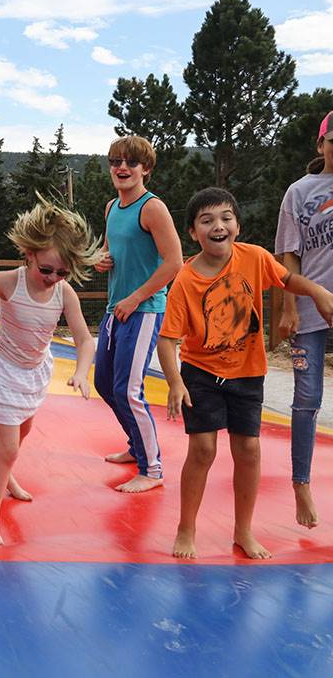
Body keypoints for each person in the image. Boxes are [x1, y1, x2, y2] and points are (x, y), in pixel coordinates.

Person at [159, 188, 333, 560]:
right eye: (206, 221)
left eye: (225, 218)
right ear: (193, 232)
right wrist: (174, 381)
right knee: (203, 449)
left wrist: (317, 291)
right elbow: (168, 339)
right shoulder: (186, 281)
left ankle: (243, 531)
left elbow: (288, 280)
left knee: (249, 450)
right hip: (201, 372)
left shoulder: (254, 258)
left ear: (237, 225)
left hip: (248, 373)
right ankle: (186, 528)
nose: (217, 226)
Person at [0, 198, 102, 545]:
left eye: (62, 273)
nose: (53, 278)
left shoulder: (64, 294)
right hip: (1, 371)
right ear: (30, 255)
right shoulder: (10, 281)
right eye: (46, 270)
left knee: (25, 428)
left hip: (33, 372)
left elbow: (84, 339)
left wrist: (81, 372)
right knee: (7, 448)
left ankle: (7, 475)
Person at [94, 135, 183, 492]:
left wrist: (136, 298)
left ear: (145, 168)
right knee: (104, 383)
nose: (122, 168)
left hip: (143, 310)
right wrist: (101, 260)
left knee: (128, 390)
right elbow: (107, 250)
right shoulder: (111, 207)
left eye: (131, 162)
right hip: (115, 308)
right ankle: (137, 446)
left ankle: (153, 469)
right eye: (116, 161)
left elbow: (174, 262)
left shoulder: (152, 208)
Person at [274, 110, 333, 528]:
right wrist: (290, 305)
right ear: (321, 145)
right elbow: (288, 255)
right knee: (307, 400)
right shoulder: (299, 192)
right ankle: (302, 486)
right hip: (311, 308)